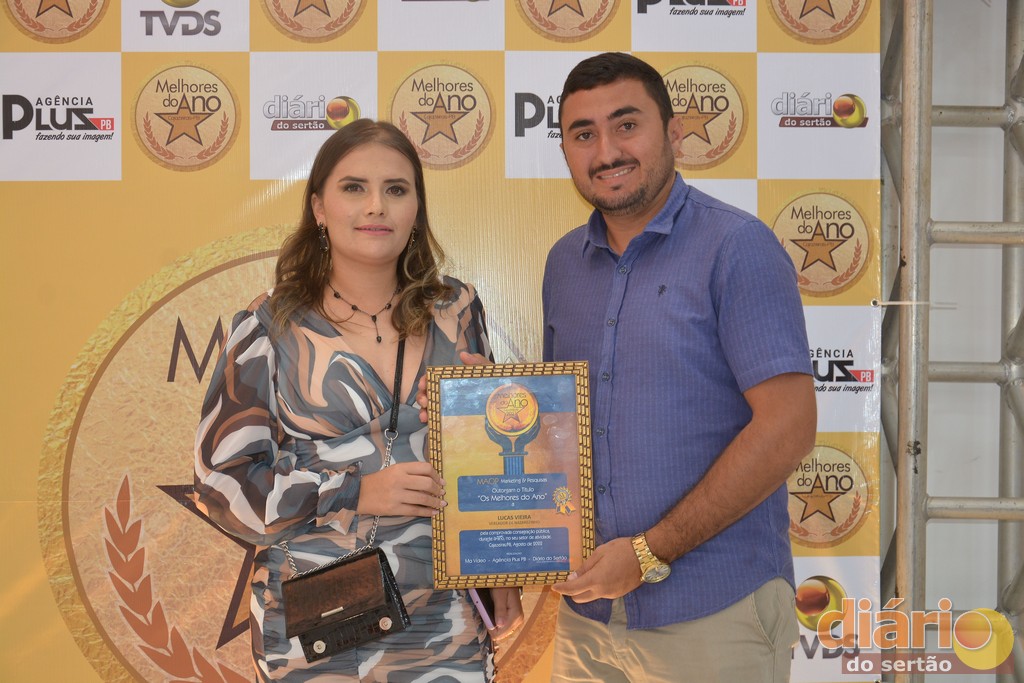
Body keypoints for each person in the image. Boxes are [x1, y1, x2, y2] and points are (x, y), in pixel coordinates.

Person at [194, 119, 522, 682]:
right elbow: (222, 487)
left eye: (396, 189)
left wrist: (501, 572)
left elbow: (490, 466)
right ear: (318, 207)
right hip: (318, 631)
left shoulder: (457, 311)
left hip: (444, 627)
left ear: (416, 207)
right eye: (354, 187)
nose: (377, 206)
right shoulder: (270, 325)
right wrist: (357, 490)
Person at [544, 53, 817, 681]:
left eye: (626, 125)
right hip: (587, 618)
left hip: (713, 613)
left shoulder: (737, 246)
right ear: (565, 151)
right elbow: (562, 424)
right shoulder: (564, 264)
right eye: (583, 134)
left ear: (672, 132)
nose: (606, 151)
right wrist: (483, 405)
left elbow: (788, 429)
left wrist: (647, 554)